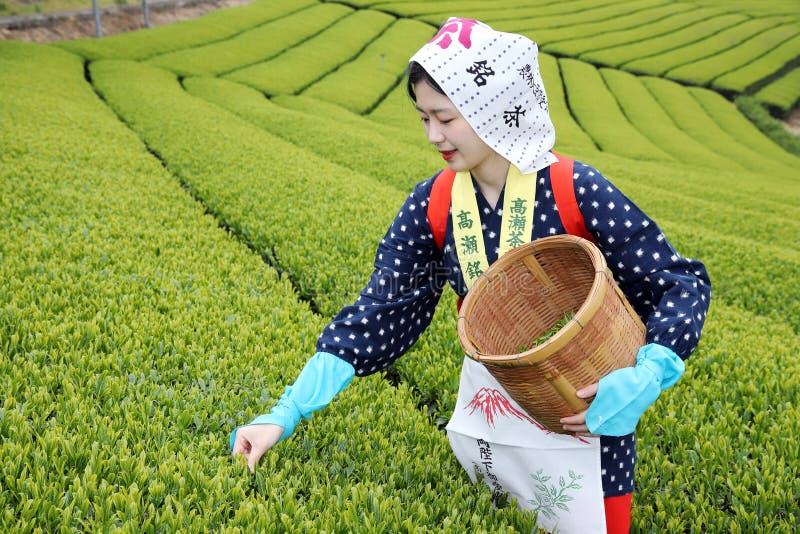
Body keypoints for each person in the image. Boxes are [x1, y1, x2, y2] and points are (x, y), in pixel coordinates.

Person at [230, 18, 710, 533]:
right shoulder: (433, 204)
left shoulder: (574, 188)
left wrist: (647, 374)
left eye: (445, 117)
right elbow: (381, 310)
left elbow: (678, 283)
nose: (433, 135)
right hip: (491, 418)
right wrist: (286, 411)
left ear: (491, 108)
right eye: (423, 118)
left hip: (588, 413)